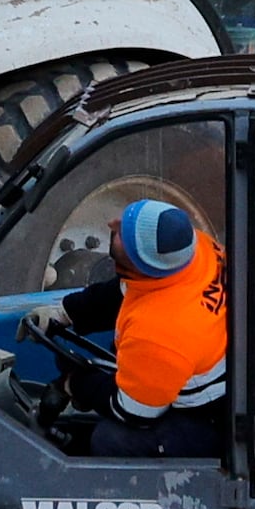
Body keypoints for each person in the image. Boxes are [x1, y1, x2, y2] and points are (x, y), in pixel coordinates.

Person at [45, 195, 229, 456]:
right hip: (241, 369)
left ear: (139, 266)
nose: (112, 223)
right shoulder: (192, 247)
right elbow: (127, 288)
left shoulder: (161, 330)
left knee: (109, 440)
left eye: (120, 234)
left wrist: (76, 385)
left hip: (215, 419)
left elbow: (133, 412)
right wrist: (65, 313)